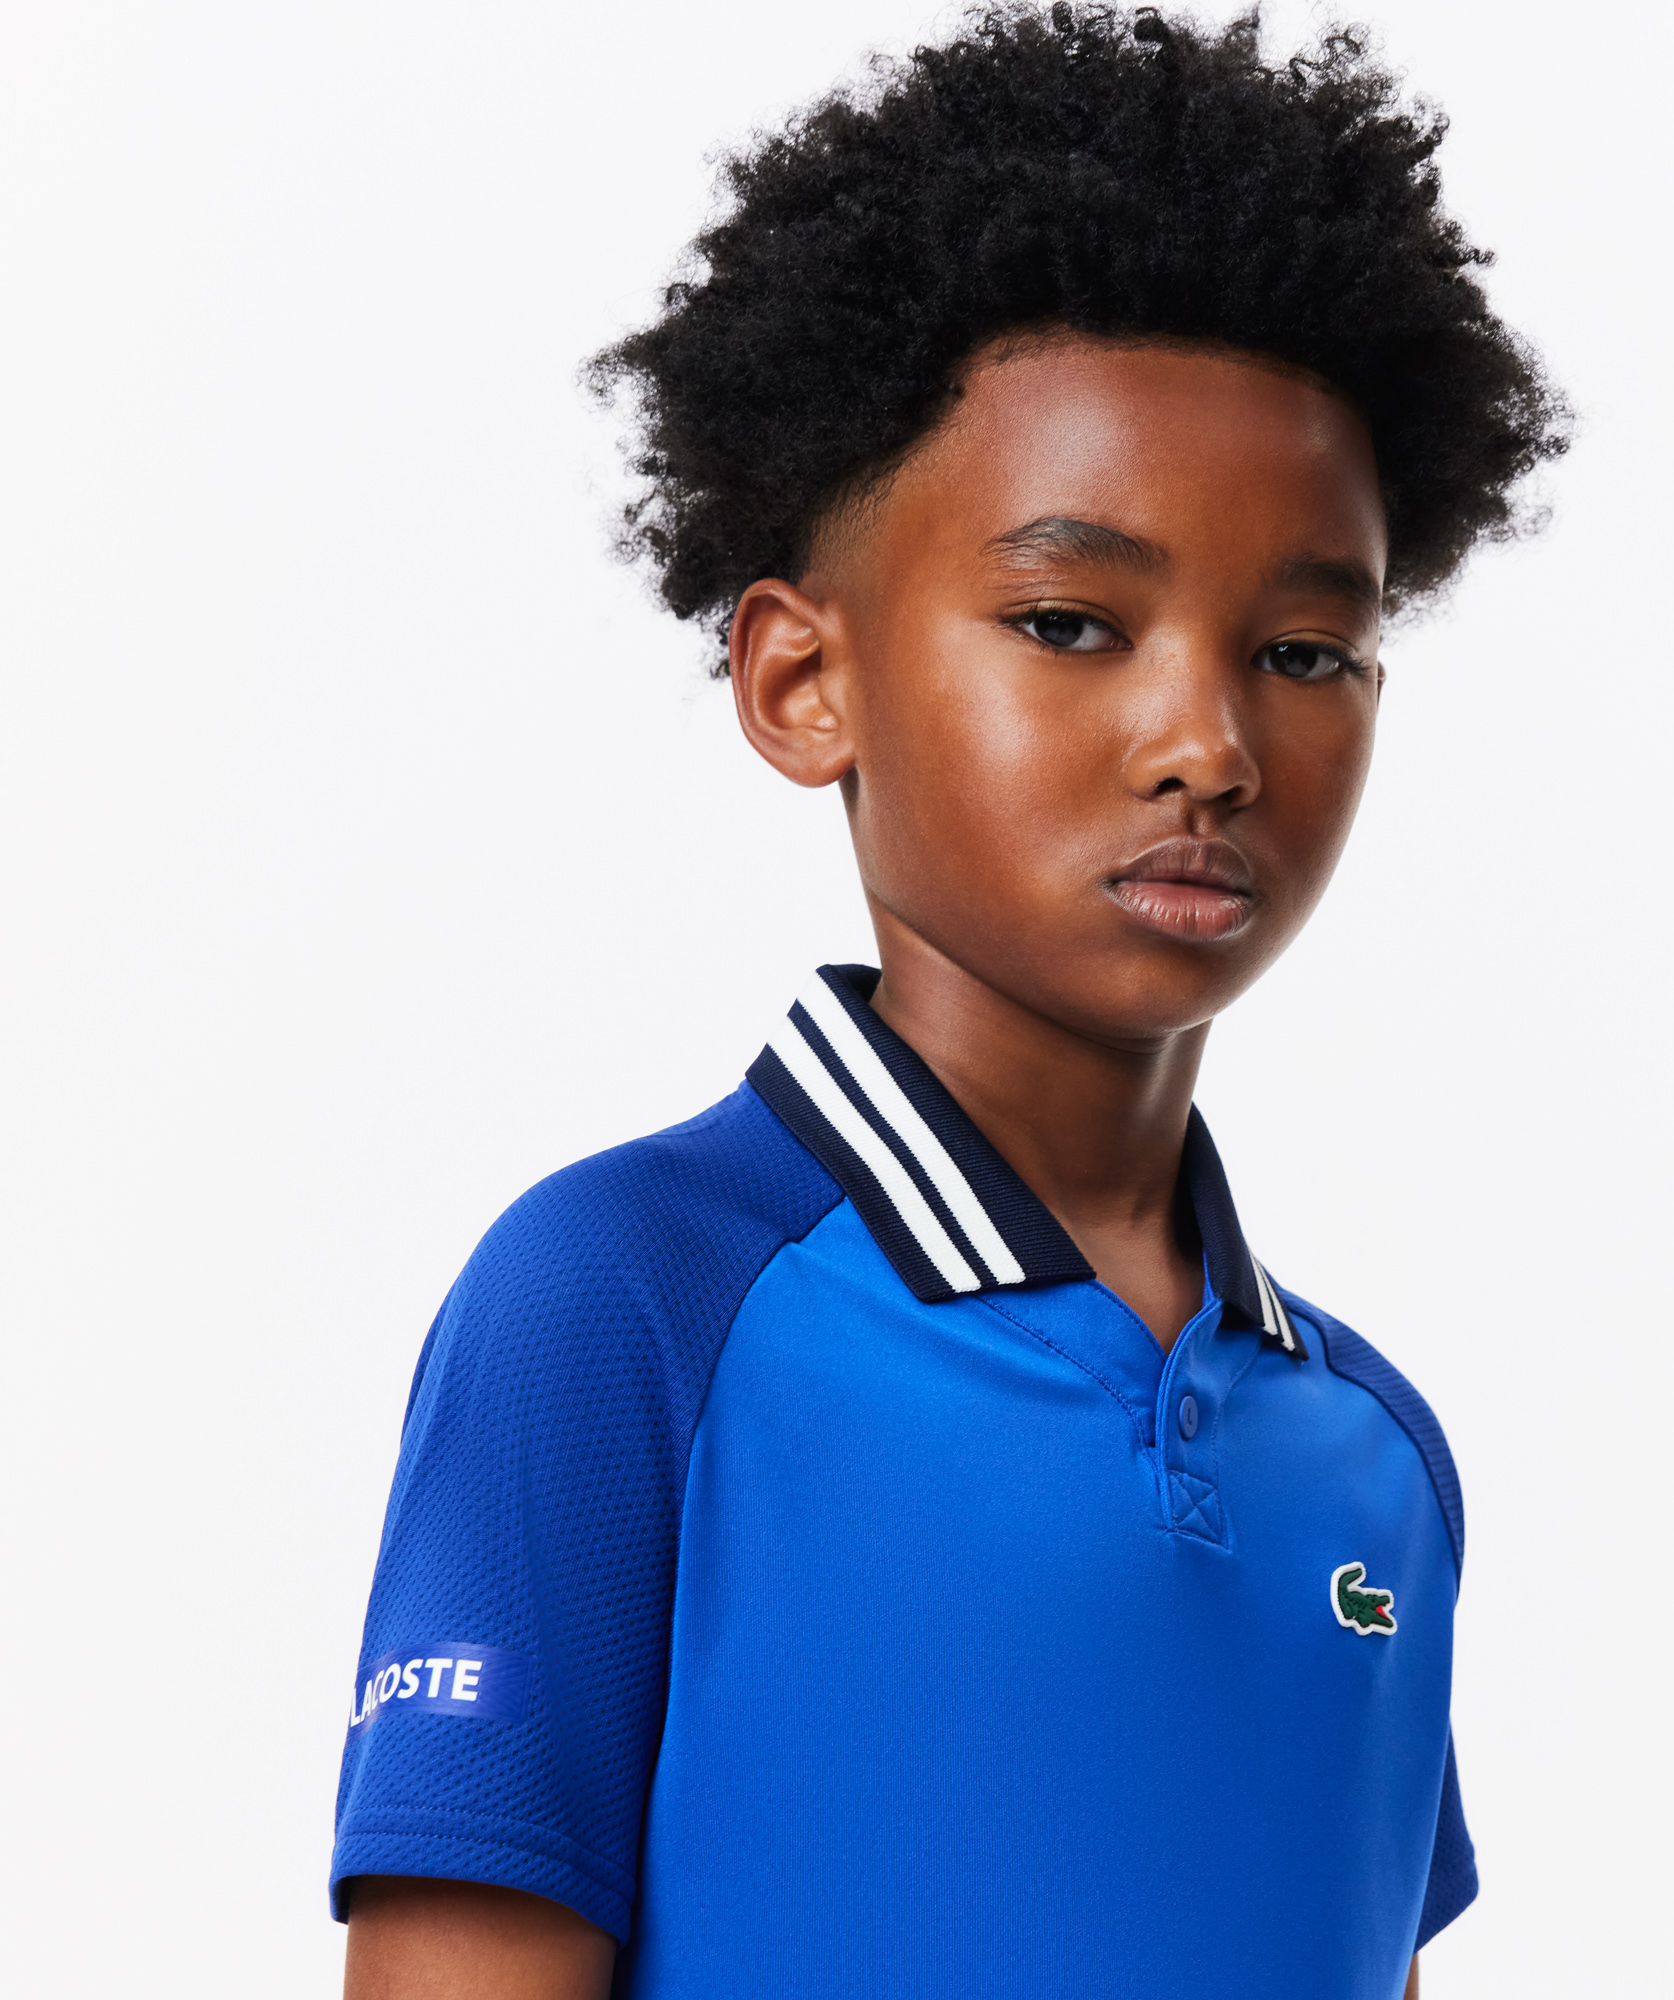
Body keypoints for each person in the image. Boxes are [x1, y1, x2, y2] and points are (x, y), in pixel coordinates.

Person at [330, 8, 1567, 1996]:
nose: (1207, 742)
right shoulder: (625, 1304)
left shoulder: (1369, 1452)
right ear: (801, 681)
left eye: (1304, 652)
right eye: (1072, 622)